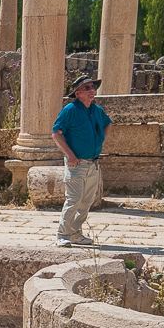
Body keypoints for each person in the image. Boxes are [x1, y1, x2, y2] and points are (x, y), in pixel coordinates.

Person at [51, 75, 111, 247]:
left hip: (93, 163)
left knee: (87, 200)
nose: (92, 90)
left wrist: (100, 140)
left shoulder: (97, 110)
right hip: (76, 164)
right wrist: (70, 155)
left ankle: (76, 233)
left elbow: (108, 124)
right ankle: (63, 234)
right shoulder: (70, 110)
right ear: (77, 93)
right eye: (87, 88)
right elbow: (56, 133)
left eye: (93, 87)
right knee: (74, 199)